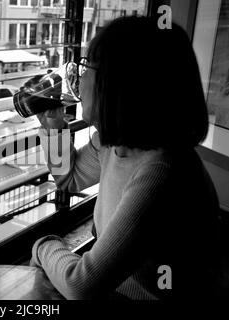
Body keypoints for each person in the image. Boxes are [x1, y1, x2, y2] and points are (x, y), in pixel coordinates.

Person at [30, 16, 224, 300]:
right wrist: (54, 127)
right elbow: (68, 179)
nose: (77, 80)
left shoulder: (162, 170)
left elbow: (82, 286)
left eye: (86, 68)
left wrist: (43, 246)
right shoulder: (115, 146)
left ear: (119, 84)